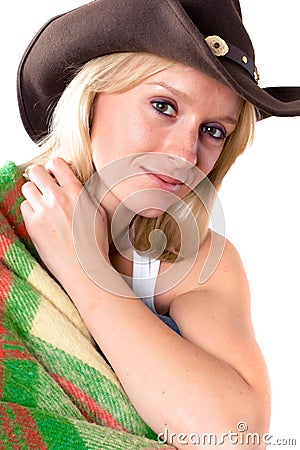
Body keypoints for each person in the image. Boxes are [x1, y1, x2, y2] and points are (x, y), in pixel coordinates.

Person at [2, 0, 300, 448]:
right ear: (92, 96)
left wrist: (86, 272)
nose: (184, 155)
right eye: (163, 105)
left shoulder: (195, 260)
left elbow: (233, 438)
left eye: (213, 131)